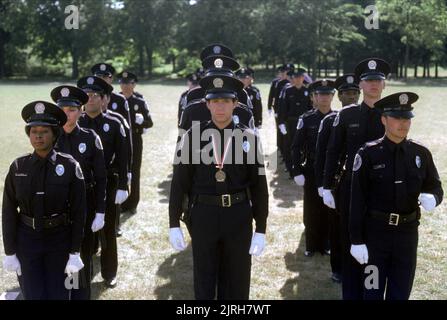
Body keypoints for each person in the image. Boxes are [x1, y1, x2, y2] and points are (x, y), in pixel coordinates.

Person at [168, 70, 269, 300]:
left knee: (238, 280)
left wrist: (261, 227)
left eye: (226, 101)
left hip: (239, 215)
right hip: (204, 215)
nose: (220, 106)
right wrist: (173, 222)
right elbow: (179, 183)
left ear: (236, 104)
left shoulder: (249, 139)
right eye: (215, 101)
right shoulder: (192, 137)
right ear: (207, 104)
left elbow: (259, 187)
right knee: (204, 278)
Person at [349, 92, 443, 300]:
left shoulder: (420, 154)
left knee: (400, 292)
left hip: (407, 235)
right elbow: (356, 200)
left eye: (407, 118)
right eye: (397, 118)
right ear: (384, 119)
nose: (404, 124)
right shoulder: (368, 154)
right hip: (375, 236)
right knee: (371, 291)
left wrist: (433, 198)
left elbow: (436, 187)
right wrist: (356, 240)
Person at [2, 101, 86, 300]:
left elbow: (79, 211)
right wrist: (10, 251)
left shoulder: (69, 166)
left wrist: (75, 251)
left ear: (55, 134)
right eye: (33, 131)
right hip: (27, 241)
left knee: (59, 294)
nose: (38, 136)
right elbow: (8, 211)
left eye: (44, 131)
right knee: (32, 294)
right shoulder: (18, 167)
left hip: (59, 241)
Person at [322, 58, 390, 299]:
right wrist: (326, 186)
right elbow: (333, 151)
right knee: (350, 244)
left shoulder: (392, 115)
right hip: (350, 189)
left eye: (377, 80)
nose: (373, 84)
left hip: (382, 191)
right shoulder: (347, 115)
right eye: (369, 80)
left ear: (384, 84)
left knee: (377, 249)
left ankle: (371, 293)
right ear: (361, 85)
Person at [50, 85, 107, 299]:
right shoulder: (49, 137)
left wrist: (100, 210)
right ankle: (67, 292)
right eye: (62, 109)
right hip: (57, 208)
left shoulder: (91, 138)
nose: (66, 113)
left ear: (81, 111)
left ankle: (80, 294)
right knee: (62, 255)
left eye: (72, 109)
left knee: (82, 254)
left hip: (85, 205)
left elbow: (101, 177)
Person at [77, 76, 129, 288]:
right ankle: (85, 271)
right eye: (86, 96)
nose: (90, 99)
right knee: (82, 231)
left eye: (94, 95)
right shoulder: (75, 122)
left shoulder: (114, 123)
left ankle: (109, 273)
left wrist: (124, 185)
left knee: (107, 231)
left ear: (103, 99)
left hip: (107, 185)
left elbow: (125, 157)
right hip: (81, 186)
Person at [314, 74, 360, 283]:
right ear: (339, 96)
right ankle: (338, 268)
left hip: (361, 180)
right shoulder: (330, 120)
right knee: (338, 227)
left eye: (354, 93)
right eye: (347, 93)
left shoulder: (368, 117)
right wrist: (323, 185)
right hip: (338, 181)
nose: (351, 97)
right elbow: (322, 154)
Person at [291, 80, 335, 258]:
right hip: (311, 169)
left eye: (327, 94)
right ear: (315, 97)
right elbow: (296, 146)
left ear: (332, 96)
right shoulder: (307, 118)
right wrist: (296, 171)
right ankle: (311, 244)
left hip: (331, 170)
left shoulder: (337, 118)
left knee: (329, 208)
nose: (324, 98)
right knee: (311, 208)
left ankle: (326, 244)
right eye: (320, 94)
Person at [117, 71, 153, 214]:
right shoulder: (114, 100)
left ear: (134, 85)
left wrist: (142, 122)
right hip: (119, 141)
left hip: (135, 140)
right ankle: (121, 202)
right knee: (120, 171)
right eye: (123, 83)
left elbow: (150, 123)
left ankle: (133, 203)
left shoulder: (139, 102)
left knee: (135, 172)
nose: (126, 86)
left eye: (129, 83)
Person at [278, 67, 311, 177]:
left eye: (300, 77)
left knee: (303, 146)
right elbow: (282, 108)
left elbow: (310, 108)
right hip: (291, 123)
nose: (298, 79)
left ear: (303, 78)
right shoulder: (288, 91)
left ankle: (301, 167)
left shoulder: (307, 91)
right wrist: (281, 123)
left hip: (304, 123)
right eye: (296, 77)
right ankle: (291, 169)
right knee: (290, 146)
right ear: (293, 78)